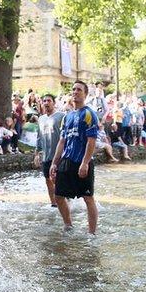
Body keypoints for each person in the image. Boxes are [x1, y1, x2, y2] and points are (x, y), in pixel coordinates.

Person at [48, 81, 99, 235]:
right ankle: (68, 225)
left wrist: (85, 163)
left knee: (88, 198)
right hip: (67, 161)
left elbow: (91, 141)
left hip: (82, 161)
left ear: (85, 94)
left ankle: (92, 233)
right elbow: (62, 142)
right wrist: (54, 163)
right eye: (74, 89)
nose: (75, 92)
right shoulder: (67, 116)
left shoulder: (89, 114)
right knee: (58, 196)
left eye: (79, 90)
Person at [35, 94, 64, 207]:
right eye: (44, 101)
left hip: (59, 155)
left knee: (58, 180)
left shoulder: (61, 116)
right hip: (46, 155)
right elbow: (39, 136)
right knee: (48, 180)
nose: (46, 103)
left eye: (49, 101)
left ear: (54, 103)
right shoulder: (41, 119)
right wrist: (37, 153)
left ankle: (64, 201)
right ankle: (53, 204)